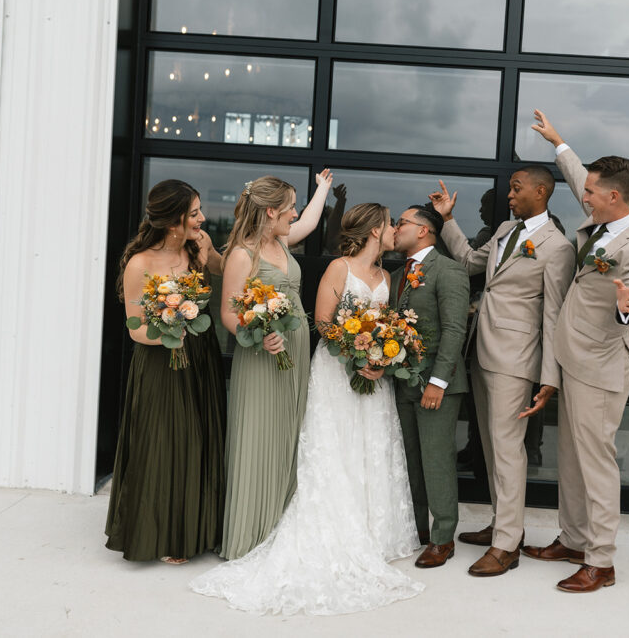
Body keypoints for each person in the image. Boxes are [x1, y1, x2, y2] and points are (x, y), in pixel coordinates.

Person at [191, 203, 424, 615]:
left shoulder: (387, 276)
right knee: (336, 447)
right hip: (337, 373)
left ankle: (370, 531)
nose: (394, 231)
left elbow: (385, 323)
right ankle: (335, 529)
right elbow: (323, 322)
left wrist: (380, 358)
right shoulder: (339, 268)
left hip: (373, 378)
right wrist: (357, 353)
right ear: (374, 230)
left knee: (369, 448)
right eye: (390, 224)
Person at [525, 109, 629, 593]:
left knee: (597, 463)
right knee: (571, 458)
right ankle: (574, 538)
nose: (581, 194)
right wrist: (559, 142)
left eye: (590, 192)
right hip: (572, 356)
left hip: (601, 366)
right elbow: (579, 174)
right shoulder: (604, 213)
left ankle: (601, 561)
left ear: (613, 197)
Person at [430, 170, 576, 577]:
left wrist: (549, 377)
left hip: (516, 360)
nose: (508, 195)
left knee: (509, 451)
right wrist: (446, 220)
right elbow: (469, 262)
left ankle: (507, 546)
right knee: (493, 449)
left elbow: (554, 316)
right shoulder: (506, 229)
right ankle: (503, 524)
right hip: (481, 349)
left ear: (541, 191)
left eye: (516, 188)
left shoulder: (558, 248)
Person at [105, 179, 225, 564]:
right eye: (194, 213)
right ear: (173, 221)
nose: (202, 218)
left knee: (197, 440)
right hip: (160, 362)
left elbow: (230, 270)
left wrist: (217, 252)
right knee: (163, 444)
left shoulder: (199, 247)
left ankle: (193, 529)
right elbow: (135, 326)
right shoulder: (140, 263)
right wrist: (174, 332)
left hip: (200, 361)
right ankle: (162, 533)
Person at [218, 170, 333, 560]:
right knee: (259, 435)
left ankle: (281, 525)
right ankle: (251, 535)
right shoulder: (240, 254)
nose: (295, 214)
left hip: (295, 352)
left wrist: (323, 189)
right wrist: (258, 333)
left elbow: (312, 221)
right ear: (270, 212)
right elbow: (229, 314)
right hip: (260, 357)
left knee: (289, 434)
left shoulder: (283, 241)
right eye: (290, 208)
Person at [390, 203, 470, 568]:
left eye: (401, 223)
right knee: (410, 460)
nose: (395, 228)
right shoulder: (396, 274)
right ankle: (418, 530)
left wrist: (438, 381)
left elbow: (455, 328)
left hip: (436, 384)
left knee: (436, 462)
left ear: (423, 230)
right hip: (401, 382)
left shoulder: (449, 271)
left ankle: (443, 538)